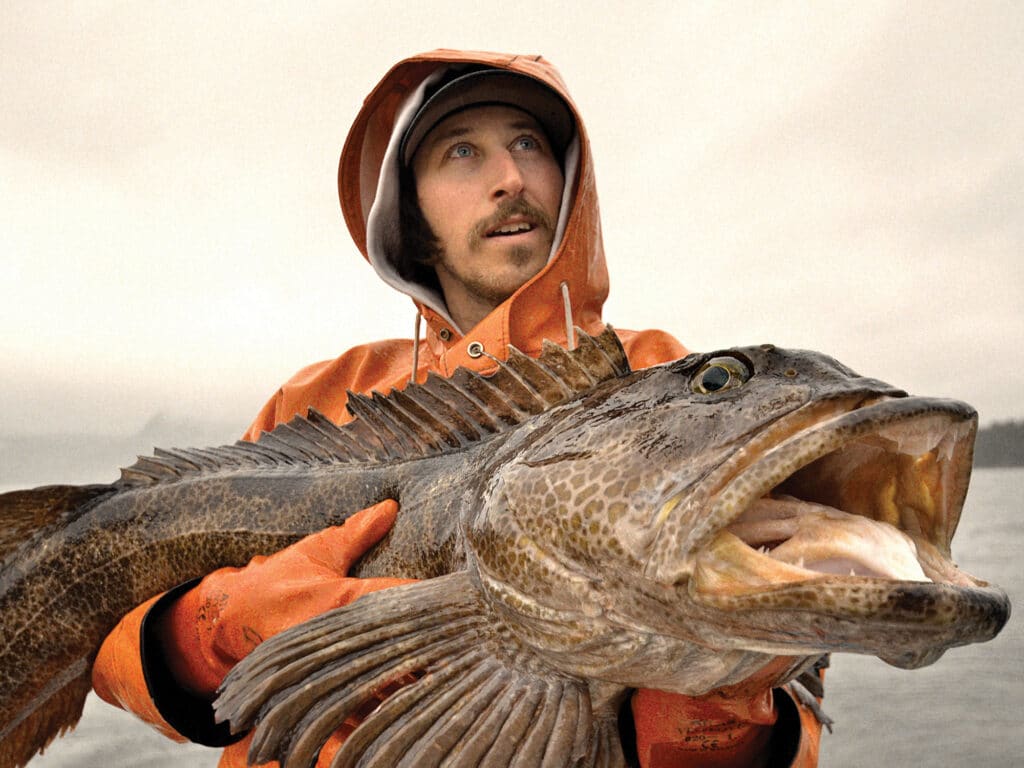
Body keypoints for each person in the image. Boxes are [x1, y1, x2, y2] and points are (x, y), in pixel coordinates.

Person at [91, 49, 823, 767]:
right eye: (462, 153)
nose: (509, 179)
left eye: (529, 145)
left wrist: (722, 705)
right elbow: (96, 637)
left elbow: (799, 702)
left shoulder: (672, 386)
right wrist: (212, 631)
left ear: (569, 182)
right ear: (410, 212)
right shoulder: (314, 401)